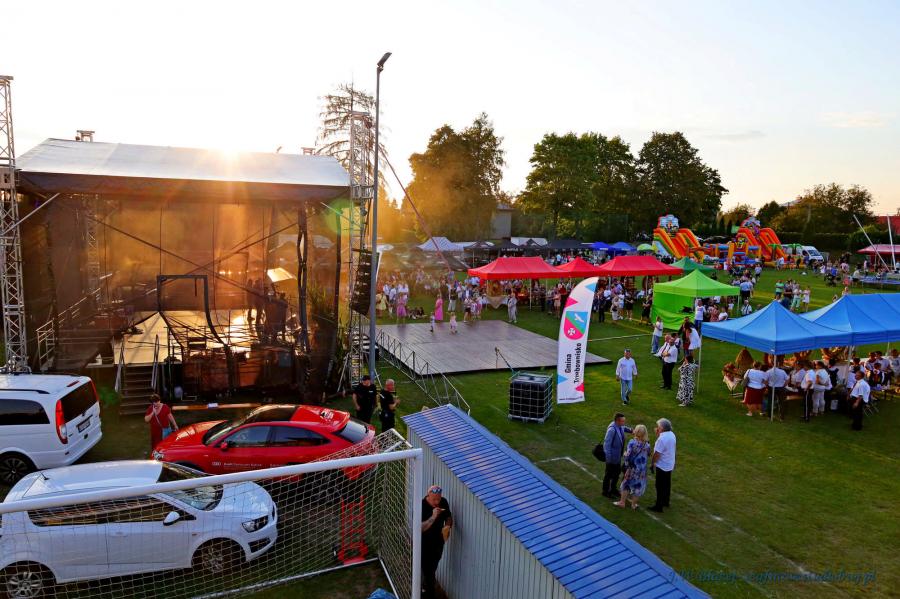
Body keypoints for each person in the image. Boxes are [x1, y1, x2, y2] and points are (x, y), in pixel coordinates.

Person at [421, 485, 452, 599]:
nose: (437, 502)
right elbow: (420, 528)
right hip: (423, 544)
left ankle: (426, 589)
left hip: (438, 542)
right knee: (426, 571)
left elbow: (448, 516)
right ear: (428, 496)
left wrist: (447, 526)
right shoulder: (422, 506)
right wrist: (434, 516)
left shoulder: (443, 502)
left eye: (438, 499)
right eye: (434, 499)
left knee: (432, 569)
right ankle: (427, 593)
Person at [614, 424, 651, 510]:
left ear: (636, 432)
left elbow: (628, 455)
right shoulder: (647, 445)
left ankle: (622, 502)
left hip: (632, 468)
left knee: (626, 484)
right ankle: (633, 505)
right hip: (642, 470)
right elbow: (648, 454)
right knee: (638, 486)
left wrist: (625, 456)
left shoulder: (632, 442)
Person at [601, 413, 633, 499]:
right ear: (617, 421)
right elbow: (606, 445)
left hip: (617, 456)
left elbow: (624, 428)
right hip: (611, 458)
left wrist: (631, 430)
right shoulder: (611, 430)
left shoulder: (620, 426)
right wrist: (608, 459)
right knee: (608, 475)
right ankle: (605, 491)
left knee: (616, 473)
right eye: (622, 421)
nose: (624, 422)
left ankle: (613, 489)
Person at [648, 418, 676, 513]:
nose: (657, 428)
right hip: (669, 464)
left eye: (658, 427)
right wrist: (658, 434)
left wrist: (652, 463)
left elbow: (657, 454)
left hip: (662, 465)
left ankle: (658, 506)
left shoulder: (662, 439)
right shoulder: (672, 434)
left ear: (662, 428)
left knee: (659, 485)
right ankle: (665, 501)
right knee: (667, 484)